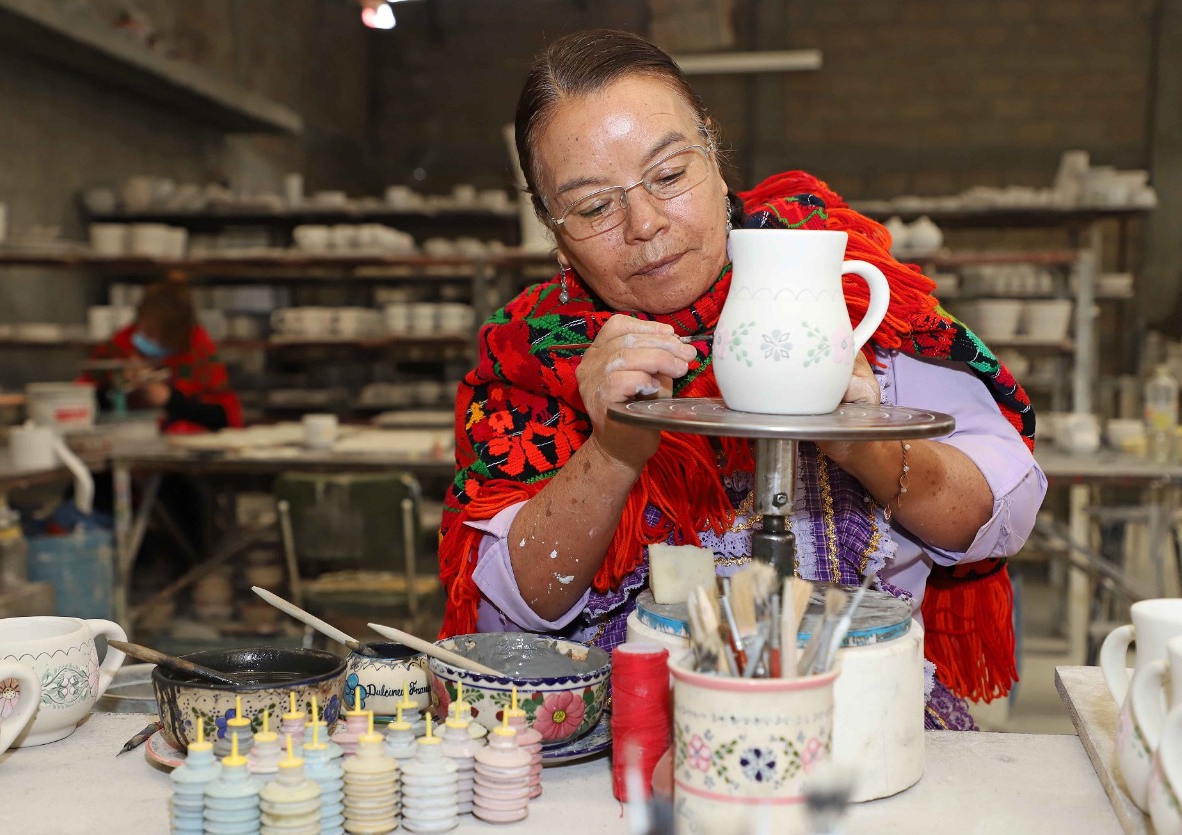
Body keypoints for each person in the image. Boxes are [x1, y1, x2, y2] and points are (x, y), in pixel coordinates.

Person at [437, 29, 1047, 731]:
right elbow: (511, 611)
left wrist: (865, 445)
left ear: (714, 156)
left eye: (670, 175)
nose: (645, 224)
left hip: (860, 723)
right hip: (633, 742)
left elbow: (1004, 512)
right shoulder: (531, 354)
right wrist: (611, 450)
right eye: (595, 207)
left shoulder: (840, 290)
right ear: (551, 228)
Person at [84, 280, 242, 434]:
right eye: (146, 330)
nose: (149, 339)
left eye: (158, 334)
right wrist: (118, 384)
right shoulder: (120, 345)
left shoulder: (198, 349)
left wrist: (169, 399)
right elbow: (84, 398)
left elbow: (224, 417)